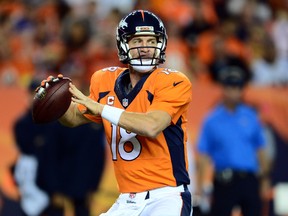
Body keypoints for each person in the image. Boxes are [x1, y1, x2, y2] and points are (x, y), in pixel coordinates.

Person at [39, 10, 193, 216]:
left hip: (166, 197)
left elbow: (151, 126)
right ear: (123, 44)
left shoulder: (173, 81)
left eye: (151, 40)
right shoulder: (104, 80)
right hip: (127, 200)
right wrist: (54, 103)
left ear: (161, 44)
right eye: (137, 41)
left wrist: (102, 109)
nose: (145, 48)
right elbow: (73, 119)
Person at [13, 79, 106, 216]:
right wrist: (54, 188)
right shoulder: (59, 120)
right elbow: (51, 155)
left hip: (81, 183)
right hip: (58, 182)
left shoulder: (96, 124)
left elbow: (97, 157)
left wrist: (92, 186)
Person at [196, 65, 270, 216]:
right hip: (224, 180)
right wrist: (200, 185)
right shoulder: (212, 120)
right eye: (230, 87)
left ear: (242, 90)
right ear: (223, 89)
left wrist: (265, 178)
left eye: (238, 87)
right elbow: (203, 154)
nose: (234, 91)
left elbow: (260, 149)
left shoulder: (251, 116)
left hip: (249, 179)